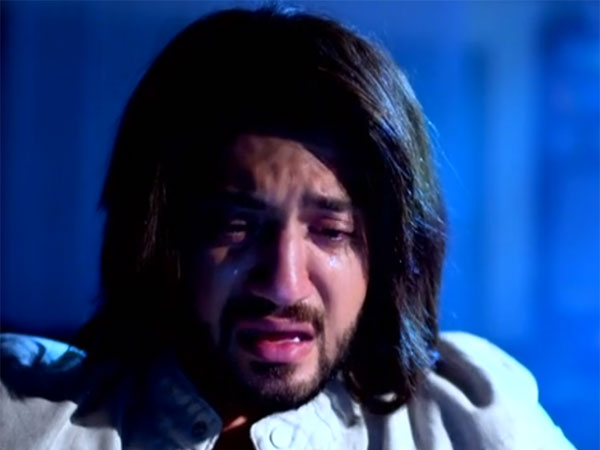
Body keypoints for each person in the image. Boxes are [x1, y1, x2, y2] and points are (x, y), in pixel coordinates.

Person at [0, 6, 575, 450]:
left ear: (391, 254)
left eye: (331, 231)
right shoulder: (27, 416)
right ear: (161, 240)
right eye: (237, 226)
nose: (283, 284)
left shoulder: (462, 419)